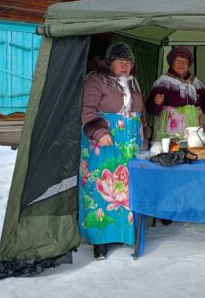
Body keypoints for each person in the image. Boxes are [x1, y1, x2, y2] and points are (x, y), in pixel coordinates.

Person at [79, 42, 149, 259]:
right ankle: (100, 241)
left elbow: (141, 114)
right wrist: (100, 133)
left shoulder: (134, 84)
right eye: (121, 61)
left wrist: (144, 135)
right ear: (110, 62)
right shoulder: (95, 79)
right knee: (101, 188)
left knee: (127, 190)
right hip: (103, 143)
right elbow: (87, 109)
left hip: (129, 145)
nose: (125, 66)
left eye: (128, 62)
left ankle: (124, 234)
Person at [146, 46, 205, 141]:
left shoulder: (196, 84)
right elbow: (151, 109)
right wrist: (157, 102)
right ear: (172, 63)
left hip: (194, 130)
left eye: (185, 62)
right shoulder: (163, 83)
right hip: (170, 132)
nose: (181, 64)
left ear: (189, 65)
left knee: (194, 153)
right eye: (178, 61)